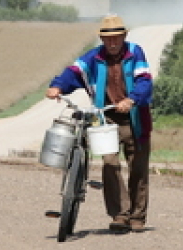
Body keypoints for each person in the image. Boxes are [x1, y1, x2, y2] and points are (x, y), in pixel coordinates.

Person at [45, 14, 153, 232]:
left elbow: (145, 81)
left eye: (116, 38)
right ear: (102, 39)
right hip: (106, 117)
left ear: (124, 36)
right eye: (108, 38)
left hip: (135, 118)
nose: (112, 43)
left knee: (138, 168)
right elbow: (73, 72)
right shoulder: (93, 58)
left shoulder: (135, 53)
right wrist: (57, 86)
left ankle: (137, 216)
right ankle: (119, 215)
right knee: (110, 163)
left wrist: (131, 99)